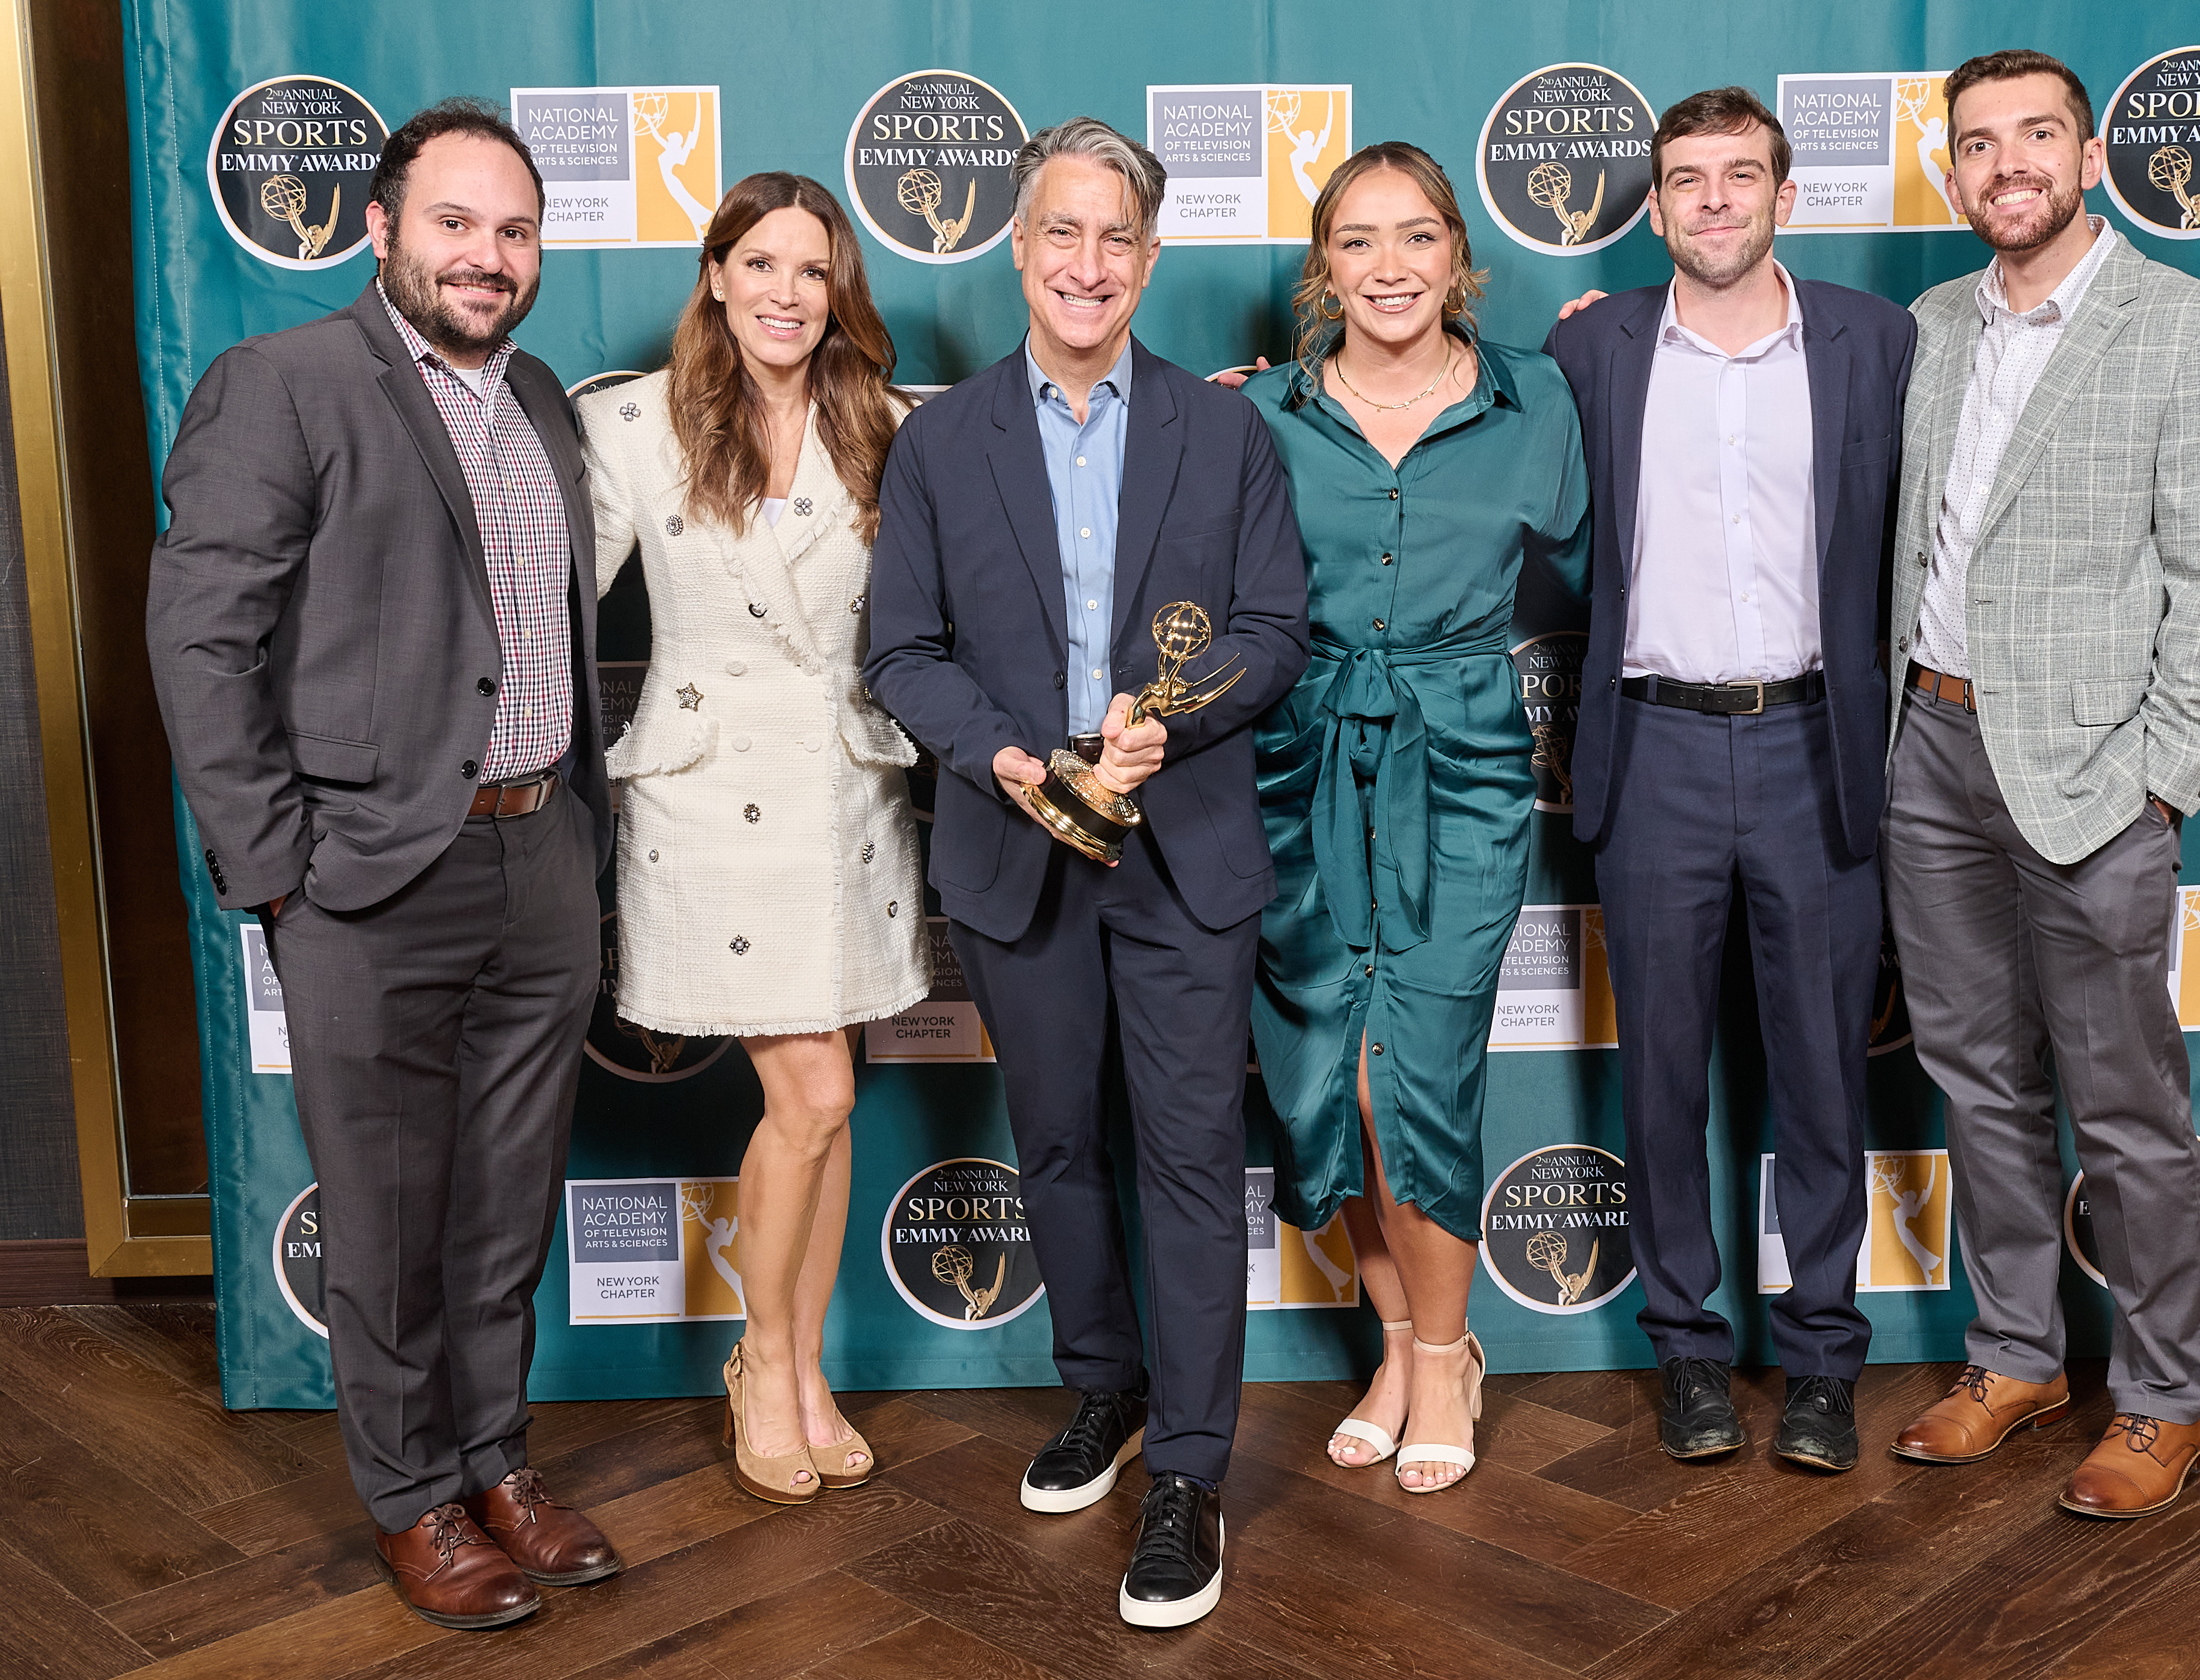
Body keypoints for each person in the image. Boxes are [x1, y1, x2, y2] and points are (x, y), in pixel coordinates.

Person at [147, 99, 618, 1631]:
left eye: (515, 230)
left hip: (541, 856)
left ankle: (497, 1465)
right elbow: (201, 642)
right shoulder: (282, 385)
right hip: (367, 879)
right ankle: (415, 1497)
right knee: (387, 1210)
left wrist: (577, 840)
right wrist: (278, 870)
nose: (488, 255)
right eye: (455, 223)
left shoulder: (537, 394)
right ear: (381, 230)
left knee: (506, 1204)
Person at [864, 116, 1307, 1627]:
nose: (1089, 262)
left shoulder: (1224, 433)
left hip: (1183, 850)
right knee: (1056, 1143)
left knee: (1187, 1154)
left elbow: (1273, 630)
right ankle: (1105, 1388)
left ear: (1153, 258)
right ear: (1018, 247)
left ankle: (1188, 1469)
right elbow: (901, 652)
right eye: (1064, 231)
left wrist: (1171, 724)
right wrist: (1008, 757)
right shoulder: (941, 443)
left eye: (1119, 237)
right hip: (1015, 845)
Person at [1877, 50, 2200, 1516]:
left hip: (2096, 775)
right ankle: (2016, 1358)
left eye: (2037, 136)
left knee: (2124, 1105)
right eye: (1980, 145)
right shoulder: (1931, 325)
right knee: (1977, 1081)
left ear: (2094, 155)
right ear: (1956, 172)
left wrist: (2158, 783)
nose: (2009, 166)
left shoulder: (2197, 329)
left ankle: (2167, 1399)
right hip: (1930, 750)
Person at [1544, 87, 1916, 1474]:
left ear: (1784, 197)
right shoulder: (1591, 348)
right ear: (1655, 208)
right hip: (1655, 749)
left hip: (1817, 744)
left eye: (1740, 175)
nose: (1714, 199)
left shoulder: (1879, 340)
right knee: (1662, 1079)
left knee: (1823, 1074)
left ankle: (1823, 1361)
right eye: (1687, 179)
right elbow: (1448, 427)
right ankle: (1687, 1352)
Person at [1235, 142, 1587, 1495]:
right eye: (1359, 241)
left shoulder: (1537, 400)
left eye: (1418, 236)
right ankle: (1398, 1345)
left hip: (1462, 773)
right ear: (1325, 268)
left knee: (1413, 1074)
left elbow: (1612, 561)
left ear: (1459, 257)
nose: (1390, 267)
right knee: (1325, 1080)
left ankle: (1448, 1358)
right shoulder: (1260, 414)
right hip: (1299, 766)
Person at [581, 173, 929, 1505]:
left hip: (843, 799)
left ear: (841, 292)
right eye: (762, 263)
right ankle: (764, 1359)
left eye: (813, 269)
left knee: (825, 1110)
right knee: (818, 1096)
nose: (788, 292)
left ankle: (803, 1368)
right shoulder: (632, 425)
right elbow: (544, 602)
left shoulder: (886, 425)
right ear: (716, 276)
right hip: (706, 797)